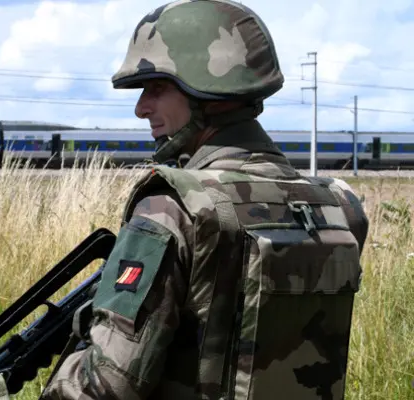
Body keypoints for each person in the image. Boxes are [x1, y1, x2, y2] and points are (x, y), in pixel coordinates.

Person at [39, 0, 369, 399]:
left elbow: (107, 386)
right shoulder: (339, 206)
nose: (141, 108)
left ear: (210, 93)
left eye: (157, 88)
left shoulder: (172, 206)